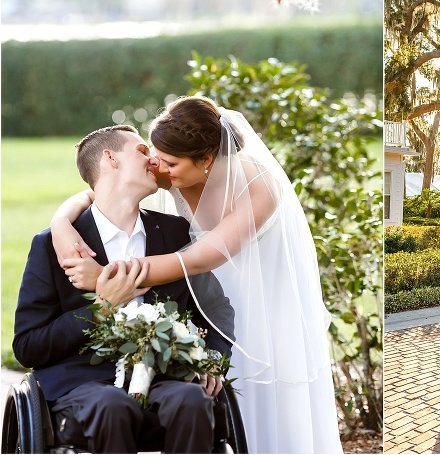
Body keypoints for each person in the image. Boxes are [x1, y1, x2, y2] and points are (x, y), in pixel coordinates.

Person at [51, 96, 343, 453]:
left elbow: (200, 258)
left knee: (266, 396)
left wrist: (109, 278)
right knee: (201, 389)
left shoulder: (261, 186)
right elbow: (100, 190)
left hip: (264, 303)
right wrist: (60, 222)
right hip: (205, 300)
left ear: (205, 159)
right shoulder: (174, 164)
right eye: (156, 156)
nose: (158, 166)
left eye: (169, 162)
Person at [14, 125, 235, 453]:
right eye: (142, 151)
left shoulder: (174, 233)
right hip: (82, 382)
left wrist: (214, 358)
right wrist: (100, 310)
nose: (154, 159)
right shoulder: (52, 245)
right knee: (113, 406)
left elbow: (215, 308)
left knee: (191, 399)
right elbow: (28, 346)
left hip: (164, 375)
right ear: (110, 159)